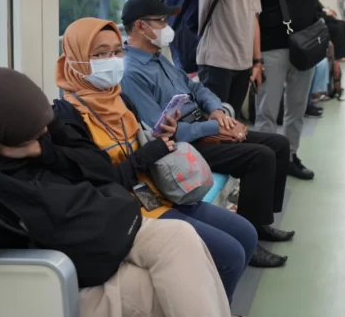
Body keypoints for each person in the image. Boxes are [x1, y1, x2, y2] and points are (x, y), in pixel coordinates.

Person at [0, 67, 232, 317]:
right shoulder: (1, 184)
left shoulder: (45, 131)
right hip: (68, 268)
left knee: (183, 239)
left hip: (106, 226)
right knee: (169, 288)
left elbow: (100, 167)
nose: (45, 132)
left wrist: (42, 150)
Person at [54, 18, 261, 299]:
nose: (112, 61)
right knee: (230, 255)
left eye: (117, 52)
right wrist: (147, 154)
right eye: (100, 54)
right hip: (125, 209)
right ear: (76, 59)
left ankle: (215, 306)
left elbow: (138, 144)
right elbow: (98, 183)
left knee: (247, 234)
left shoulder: (120, 99)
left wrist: (162, 134)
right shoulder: (68, 119)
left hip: (157, 190)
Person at [117, 0, 294, 268]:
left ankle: (261, 221)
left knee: (279, 145)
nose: (167, 26)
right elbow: (160, 130)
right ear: (140, 26)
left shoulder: (158, 58)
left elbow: (196, 89)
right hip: (187, 143)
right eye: (161, 21)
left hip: (206, 125)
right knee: (261, 157)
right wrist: (215, 127)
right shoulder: (132, 74)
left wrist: (217, 112)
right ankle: (251, 238)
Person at [254, 0, 343, 180]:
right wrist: (255, 58)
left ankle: (290, 156)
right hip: (272, 48)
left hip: (303, 49)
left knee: (296, 109)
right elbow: (252, 16)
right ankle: (266, 161)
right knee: (267, 111)